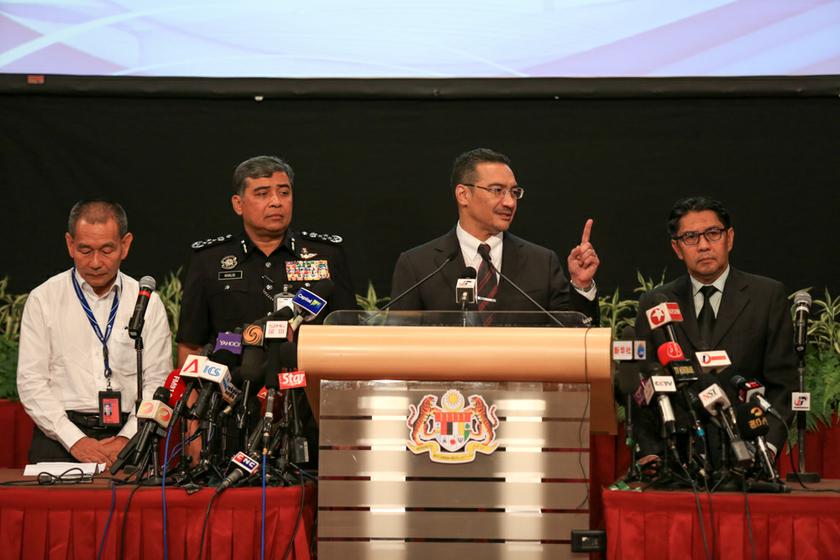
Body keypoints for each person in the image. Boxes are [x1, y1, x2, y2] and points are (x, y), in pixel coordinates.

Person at [634, 196, 797, 469]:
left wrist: (766, 447)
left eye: (712, 233)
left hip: (748, 456)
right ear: (676, 248)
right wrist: (652, 453)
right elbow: (643, 386)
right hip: (678, 461)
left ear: (729, 238)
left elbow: (784, 383)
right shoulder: (656, 303)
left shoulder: (766, 297)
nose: (703, 245)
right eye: (690, 237)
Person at [17, 200, 172, 467]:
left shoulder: (146, 301)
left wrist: (127, 438)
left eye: (107, 250)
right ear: (69, 244)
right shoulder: (44, 298)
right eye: (85, 250)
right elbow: (31, 381)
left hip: (131, 433)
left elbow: (158, 382)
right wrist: (74, 439)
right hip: (59, 437)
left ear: (126, 245)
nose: (96, 262)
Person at [177, 155, 356, 363]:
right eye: (262, 194)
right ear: (238, 204)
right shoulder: (208, 260)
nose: (276, 202)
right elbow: (191, 345)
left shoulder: (328, 255)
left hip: (306, 388)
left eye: (284, 193)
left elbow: (348, 335)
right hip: (232, 389)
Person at [389, 148, 600, 321]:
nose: (509, 202)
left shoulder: (541, 263)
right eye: (497, 190)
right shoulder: (418, 265)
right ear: (464, 195)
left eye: (514, 192)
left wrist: (581, 285)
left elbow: (572, 340)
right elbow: (398, 345)